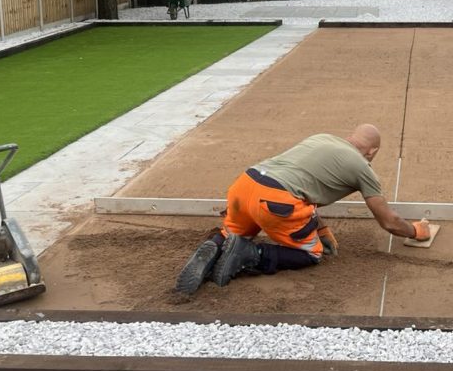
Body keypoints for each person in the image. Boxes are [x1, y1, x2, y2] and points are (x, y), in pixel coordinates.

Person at [175, 124, 433, 294]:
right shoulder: (362, 167)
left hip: (245, 185)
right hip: (276, 201)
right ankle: (251, 253)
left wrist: (321, 228)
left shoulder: (320, 138)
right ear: (373, 150)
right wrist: (415, 231)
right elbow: (388, 221)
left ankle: (215, 245)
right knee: (311, 254)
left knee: (231, 234)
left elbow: (304, 183)